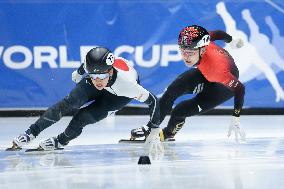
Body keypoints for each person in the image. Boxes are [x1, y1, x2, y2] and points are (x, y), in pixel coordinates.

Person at [8, 47, 162, 151]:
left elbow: (154, 101)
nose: (98, 80)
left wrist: (154, 129)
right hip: (104, 79)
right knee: (69, 103)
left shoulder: (128, 85)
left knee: (82, 117)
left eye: (101, 76)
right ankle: (31, 133)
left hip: (118, 95)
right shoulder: (95, 68)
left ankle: (60, 141)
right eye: (93, 76)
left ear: (110, 71)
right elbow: (86, 67)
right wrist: (79, 73)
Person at [131, 25, 246, 143]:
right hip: (205, 71)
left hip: (222, 86)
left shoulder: (216, 70)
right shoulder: (201, 38)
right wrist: (231, 40)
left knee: (180, 110)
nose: (186, 57)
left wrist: (236, 117)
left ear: (203, 50)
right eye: (183, 51)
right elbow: (217, 33)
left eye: (190, 52)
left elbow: (240, 88)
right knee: (172, 91)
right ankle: (151, 127)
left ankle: (167, 134)